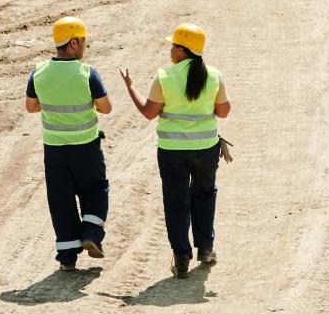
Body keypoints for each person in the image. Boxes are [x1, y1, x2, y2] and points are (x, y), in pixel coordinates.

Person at [119, 23, 231, 278]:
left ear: (182, 50)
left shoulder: (165, 76)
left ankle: (181, 257)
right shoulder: (214, 75)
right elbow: (223, 111)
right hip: (206, 149)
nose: (170, 50)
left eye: (173, 46)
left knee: (176, 201)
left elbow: (149, 113)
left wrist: (130, 87)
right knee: (204, 194)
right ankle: (206, 248)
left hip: (172, 151)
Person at [26, 16, 112, 272]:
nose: (85, 46)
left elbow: (31, 107)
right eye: (83, 41)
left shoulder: (39, 72)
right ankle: (91, 233)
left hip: (54, 149)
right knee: (96, 190)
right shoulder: (87, 73)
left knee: (60, 200)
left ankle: (67, 258)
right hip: (85, 146)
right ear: (74, 42)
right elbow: (106, 108)